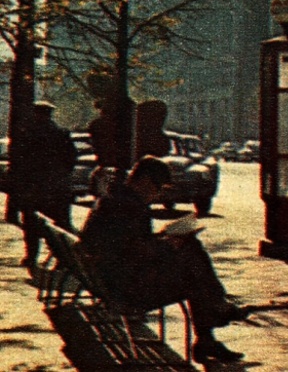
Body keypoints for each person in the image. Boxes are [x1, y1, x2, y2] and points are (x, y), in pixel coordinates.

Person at [78, 156, 250, 363]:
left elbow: (124, 246)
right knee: (192, 267)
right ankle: (215, 315)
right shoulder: (130, 206)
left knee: (191, 259)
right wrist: (167, 244)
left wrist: (163, 240)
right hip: (127, 289)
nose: (158, 194)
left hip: (110, 280)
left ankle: (214, 320)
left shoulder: (113, 199)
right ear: (144, 181)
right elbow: (134, 251)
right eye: (157, 187)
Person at [10, 101, 77, 266]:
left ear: (35, 114)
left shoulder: (26, 134)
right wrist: (62, 174)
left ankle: (31, 257)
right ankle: (62, 259)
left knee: (31, 224)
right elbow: (72, 157)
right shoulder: (61, 133)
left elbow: (19, 160)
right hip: (57, 185)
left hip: (33, 186)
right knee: (60, 223)